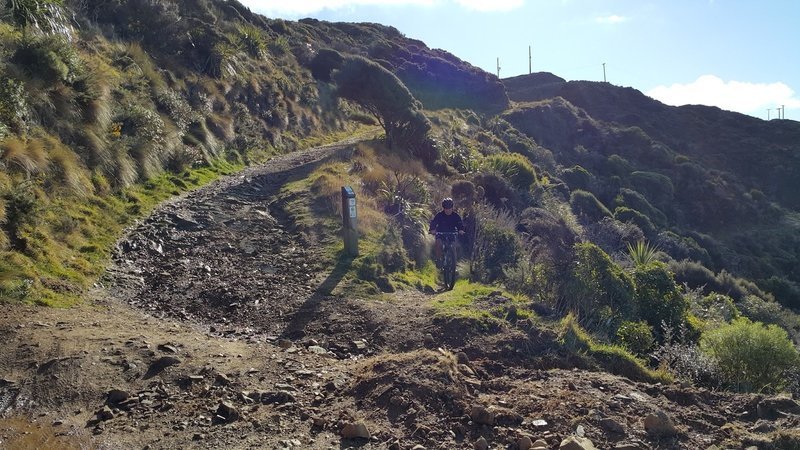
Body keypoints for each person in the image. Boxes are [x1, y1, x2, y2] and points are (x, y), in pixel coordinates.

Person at [429, 198, 465, 265]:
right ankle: (438, 260)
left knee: (453, 247)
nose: (448, 210)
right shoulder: (439, 215)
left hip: (452, 233)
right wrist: (432, 229)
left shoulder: (456, 216)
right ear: (443, 208)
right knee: (438, 243)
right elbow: (434, 222)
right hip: (441, 233)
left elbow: (460, 224)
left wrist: (461, 230)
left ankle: (454, 265)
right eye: (446, 208)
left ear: (452, 208)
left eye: (449, 208)